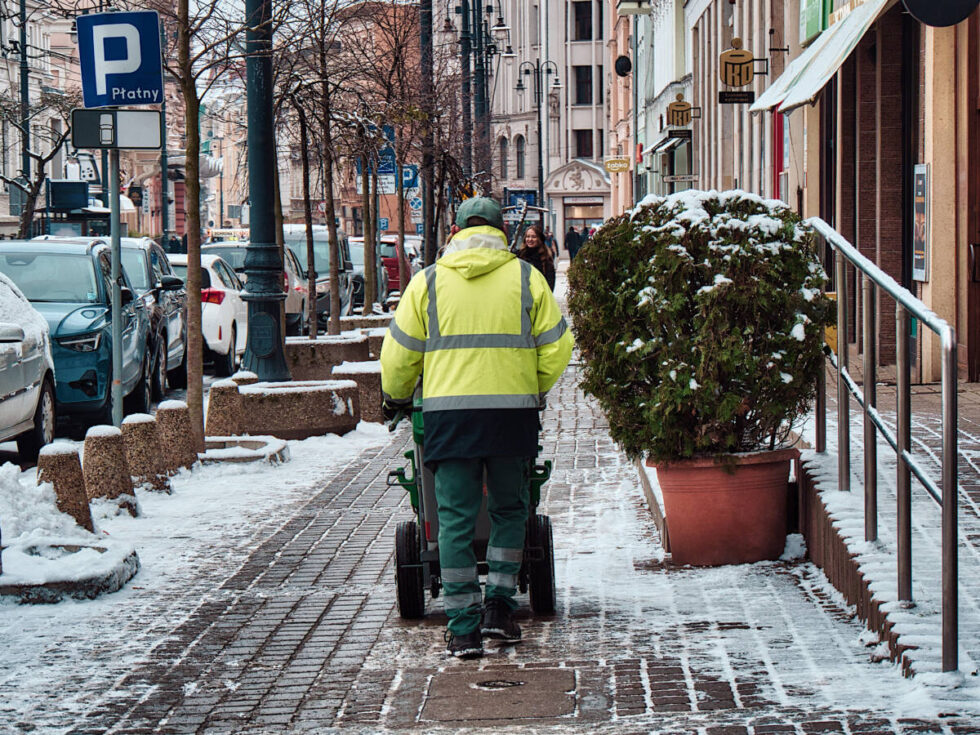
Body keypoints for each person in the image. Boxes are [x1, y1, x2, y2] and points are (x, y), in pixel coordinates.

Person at [380, 196, 573, 659]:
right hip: (511, 416)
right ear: (501, 232)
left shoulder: (428, 283)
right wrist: (532, 387)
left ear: (455, 233)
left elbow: (398, 355)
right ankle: (500, 611)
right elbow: (558, 346)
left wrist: (398, 396)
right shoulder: (526, 278)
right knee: (510, 512)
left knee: (454, 520)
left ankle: (463, 627)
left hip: (449, 419)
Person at [517, 224, 556, 291]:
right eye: (528, 236)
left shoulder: (546, 258)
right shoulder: (519, 255)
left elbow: (550, 283)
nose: (530, 239)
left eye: (533, 237)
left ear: (539, 239)